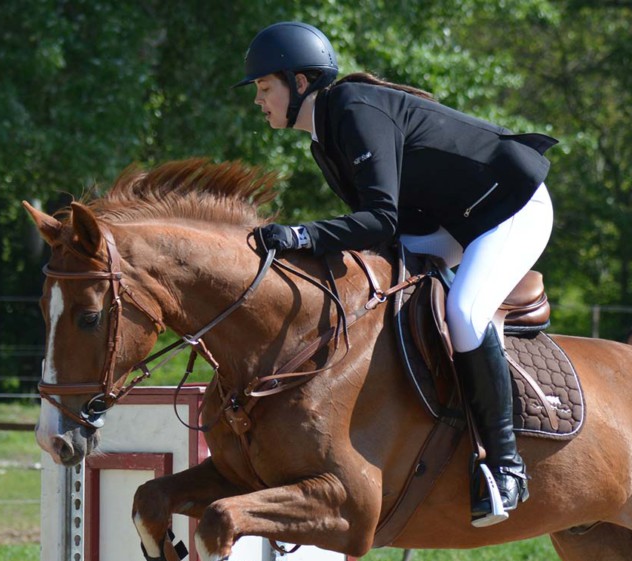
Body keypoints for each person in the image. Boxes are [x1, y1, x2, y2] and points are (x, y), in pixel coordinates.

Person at [238, 21, 557, 528]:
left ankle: (505, 466)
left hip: (511, 206)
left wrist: (301, 236)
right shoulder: (325, 139)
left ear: (299, 82)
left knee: (465, 313)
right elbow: (381, 230)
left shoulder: (352, 110)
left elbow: (380, 219)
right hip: (452, 218)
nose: (258, 100)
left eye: (263, 86)